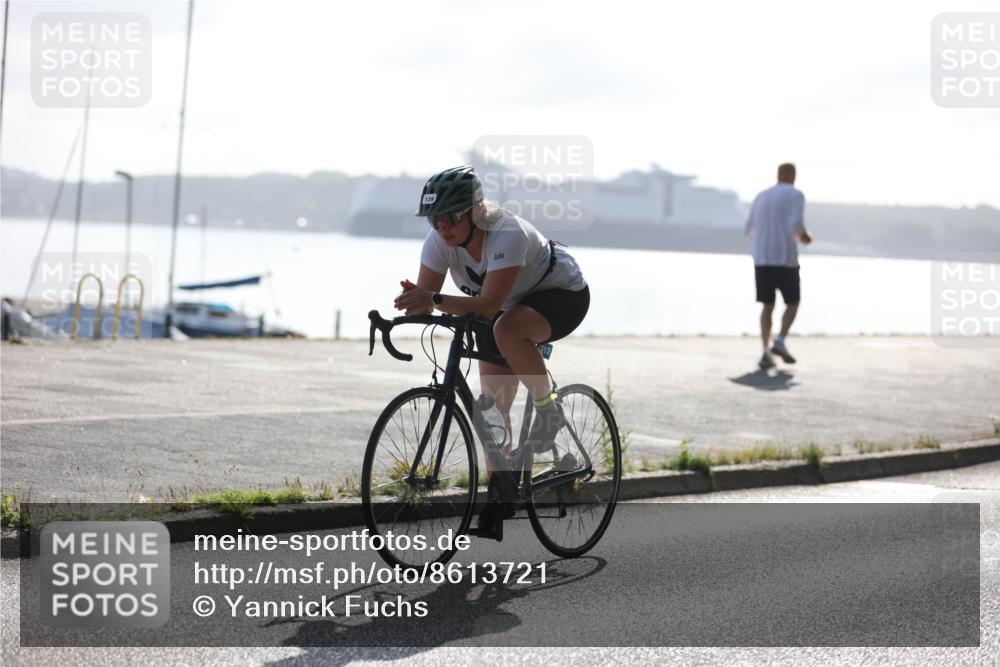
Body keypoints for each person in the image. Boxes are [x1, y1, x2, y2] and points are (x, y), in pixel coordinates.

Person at [393, 165, 590, 539]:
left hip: (560, 295)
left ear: (476, 211)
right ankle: (500, 493)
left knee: (506, 328)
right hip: (503, 307)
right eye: (434, 220)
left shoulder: (507, 233)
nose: (442, 227)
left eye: (450, 217)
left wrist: (432, 299)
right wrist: (408, 306)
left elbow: (484, 305)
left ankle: (550, 412)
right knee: (491, 411)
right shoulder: (439, 243)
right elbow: (429, 300)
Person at [744, 162, 812, 370]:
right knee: (792, 302)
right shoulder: (795, 195)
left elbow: (748, 228)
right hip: (785, 259)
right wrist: (805, 237)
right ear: (792, 175)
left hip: (762, 259)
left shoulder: (761, 196)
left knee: (767, 306)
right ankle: (780, 340)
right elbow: (796, 224)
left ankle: (765, 350)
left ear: (778, 174)